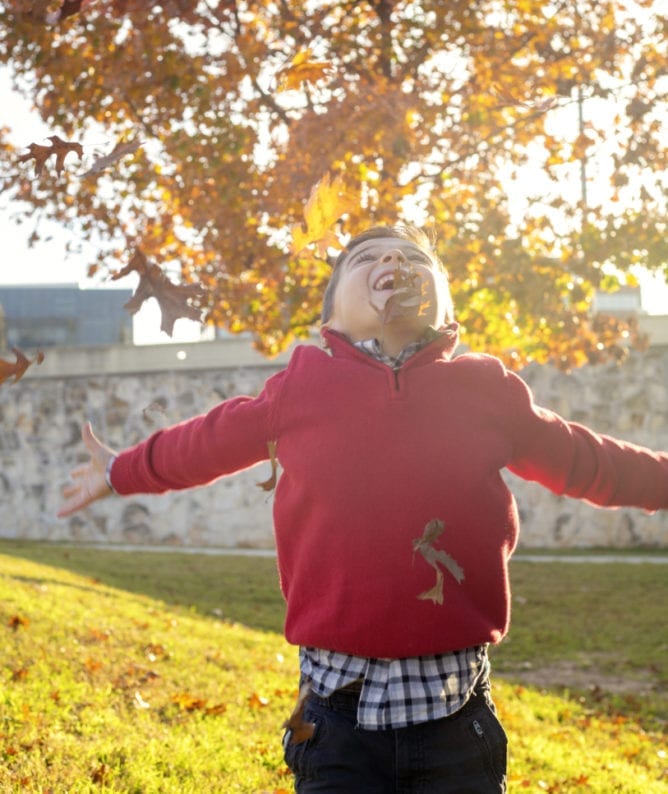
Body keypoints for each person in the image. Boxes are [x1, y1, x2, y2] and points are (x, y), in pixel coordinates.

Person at [59, 224, 668, 794]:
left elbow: (588, 461)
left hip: (456, 715)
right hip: (334, 718)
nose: (392, 261)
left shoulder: (488, 393)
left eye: (414, 258)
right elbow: (206, 443)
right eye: (366, 258)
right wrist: (120, 470)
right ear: (332, 317)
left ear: (445, 306)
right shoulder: (301, 389)